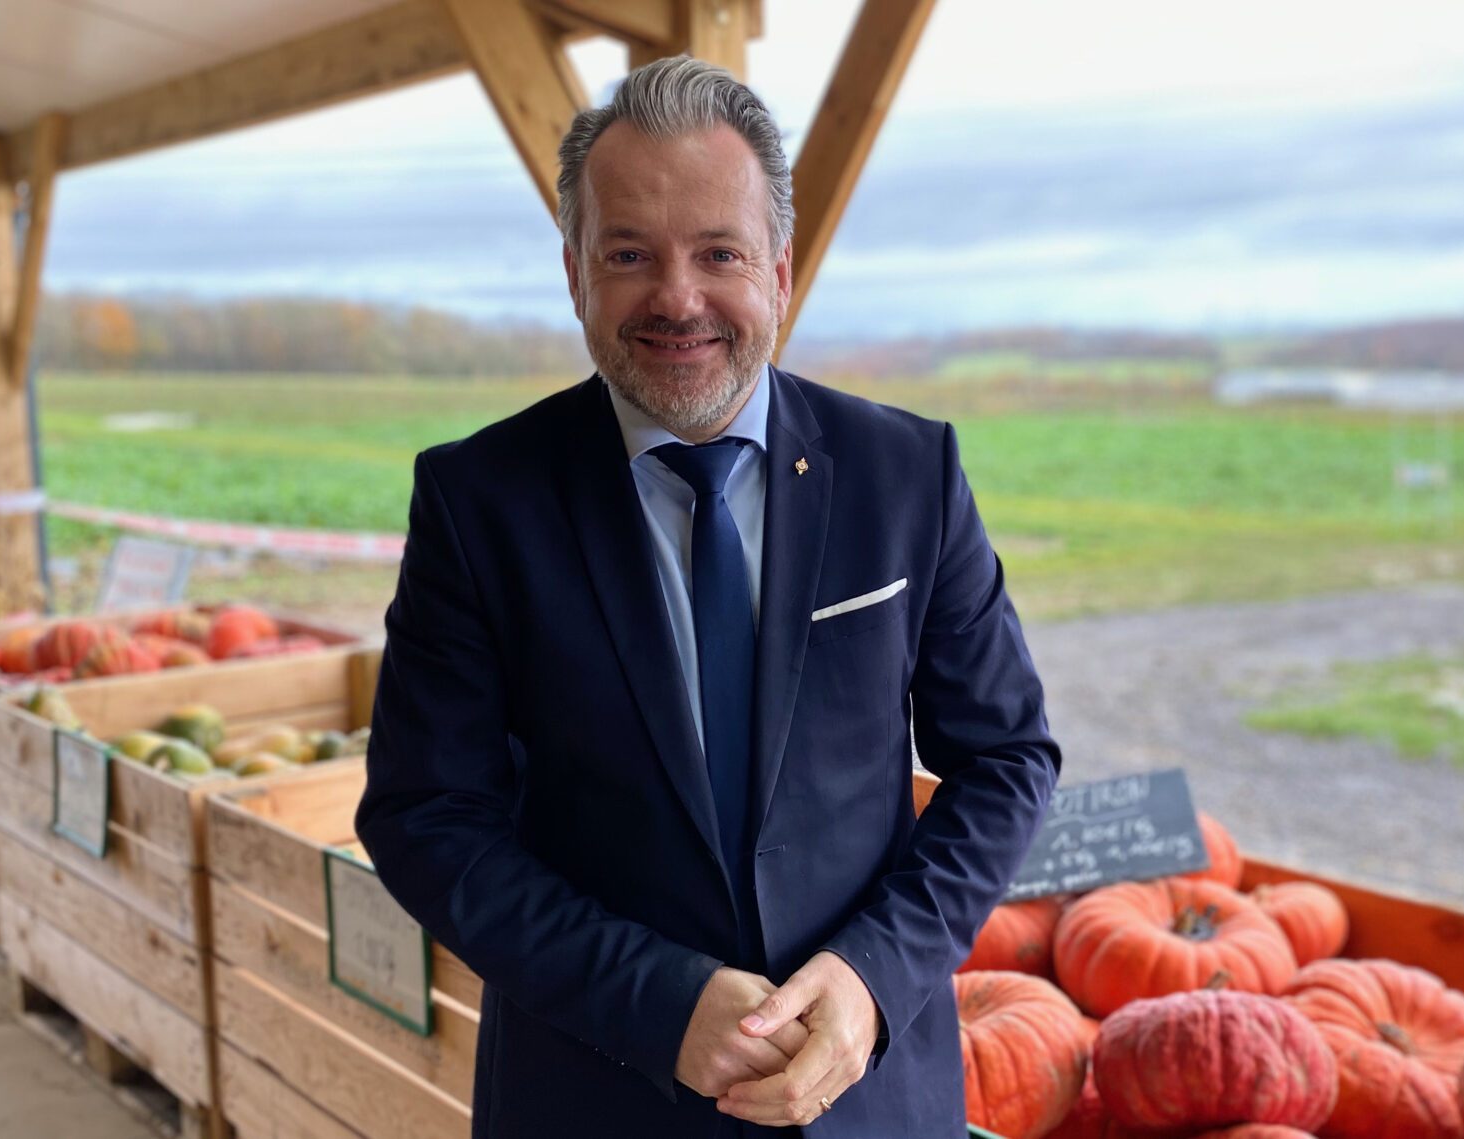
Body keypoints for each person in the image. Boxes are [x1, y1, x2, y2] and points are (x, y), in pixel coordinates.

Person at [356, 56, 1060, 1137]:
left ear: (778, 269)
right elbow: (426, 814)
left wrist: (874, 975)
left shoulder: (905, 474)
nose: (677, 297)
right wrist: (658, 1000)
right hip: (594, 1087)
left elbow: (1006, 757)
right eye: (629, 253)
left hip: (870, 1095)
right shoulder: (479, 499)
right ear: (574, 272)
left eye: (717, 253)